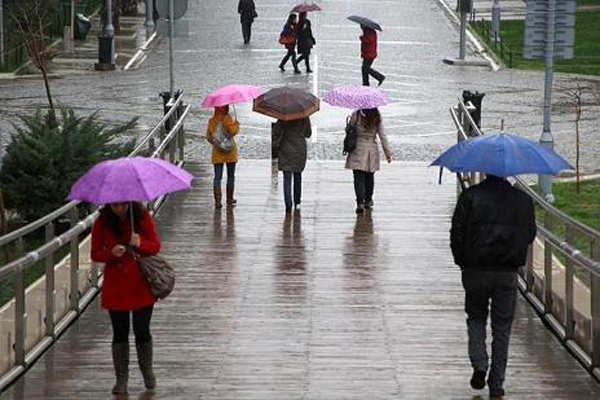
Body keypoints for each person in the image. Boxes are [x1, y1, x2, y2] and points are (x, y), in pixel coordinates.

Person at [450, 175, 536, 399]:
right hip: (507, 272)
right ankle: (496, 383)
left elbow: (457, 233)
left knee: (476, 317)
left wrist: (462, 261)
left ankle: (479, 363)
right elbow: (530, 234)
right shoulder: (523, 200)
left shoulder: (470, 196)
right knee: (502, 327)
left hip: (475, 270)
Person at [91, 202, 161, 395]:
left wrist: (140, 244)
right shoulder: (102, 222)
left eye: (122, 204)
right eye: (115, 205)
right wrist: (111, 254)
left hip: (141, 283)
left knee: (142, 329)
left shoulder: (141, 216)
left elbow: (155, 246)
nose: (119, 208)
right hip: (116, 286)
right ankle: (121, 378)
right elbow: (95, 253)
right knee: (120, 332)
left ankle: (147, 370)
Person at [344, 108, 392, 214]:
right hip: (371, 149)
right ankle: (368, 200)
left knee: (358, 176)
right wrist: (388, 153)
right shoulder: (377, 115)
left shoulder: (356, 114)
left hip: (358, 148)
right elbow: (382, 135)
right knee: (369, 176)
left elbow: (350, 129)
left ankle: (360, 202)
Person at [273, 117, 312, 212]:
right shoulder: (304, 116)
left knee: (287, 178)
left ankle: (288, 204)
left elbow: (276, 132)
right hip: (299, 148)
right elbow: (308, 134)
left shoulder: (283, 116)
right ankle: (297, 201)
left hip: (285, 147)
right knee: (298, 175)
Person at [206, 105, 240, 208]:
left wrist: (218, 143)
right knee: (230, 176)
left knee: (217, 177)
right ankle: (229, 199)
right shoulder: (227, 118)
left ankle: (218, 202)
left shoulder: (211, 120)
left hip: (217, 153)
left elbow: (208, 137)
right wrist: (236, 125)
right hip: (230, 152)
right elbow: (233, 132)